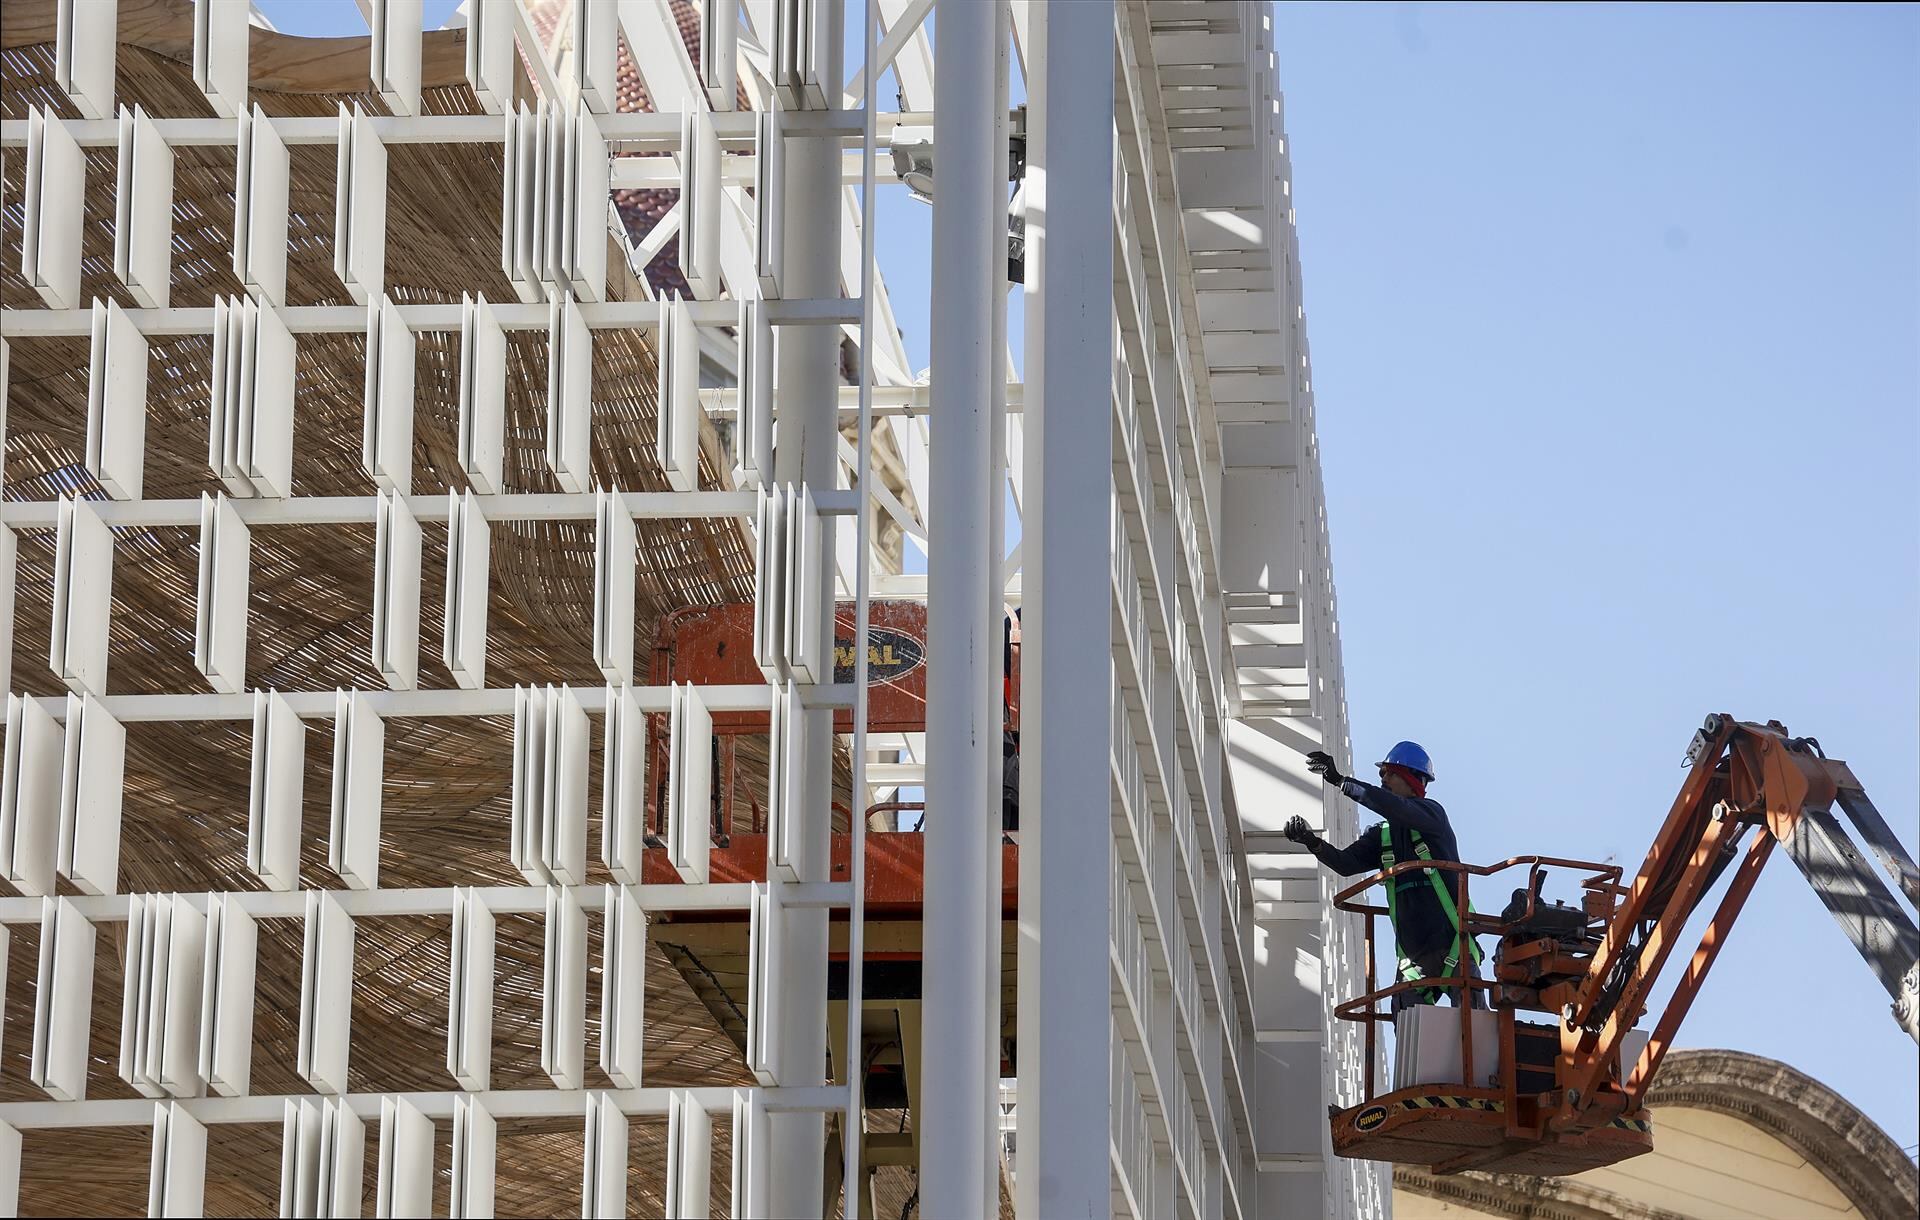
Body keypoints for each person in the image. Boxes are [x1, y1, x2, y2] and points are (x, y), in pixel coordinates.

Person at [1283, 741, 1484, 1011]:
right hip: (1414, 963)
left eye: (1390, 773)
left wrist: (1341, 781)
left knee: (1475, 1029)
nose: (1383, 779)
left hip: (1454, 948)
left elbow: (1396, 807)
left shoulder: (1432, 816)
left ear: (1412, 780)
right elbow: (1346, 863)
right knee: (1407, 1029)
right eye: (1382, 774)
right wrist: (1312, 842)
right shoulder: (1383, 835)